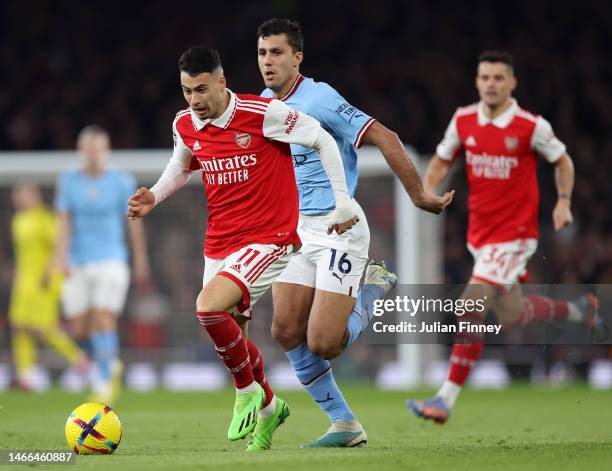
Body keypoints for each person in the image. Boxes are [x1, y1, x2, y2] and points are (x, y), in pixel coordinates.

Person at [126, 46, 358, 448]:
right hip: (219, 243)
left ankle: (246, 392)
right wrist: (155, 196)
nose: (194, 100)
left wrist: (342, 202)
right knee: (230, 333)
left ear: (221, 81)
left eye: (201, 89)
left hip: (270, 238)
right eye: (186, 91)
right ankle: (269, 408)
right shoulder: (185, 123)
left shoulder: (260, 114)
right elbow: (181, 165)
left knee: (207, 307)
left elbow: (321, 139)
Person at [256, 18, 454, 448]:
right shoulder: (262, 107)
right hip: (296, 232)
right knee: (285, 331)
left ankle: (372, 287)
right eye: (262, 53)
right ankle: (344, 425)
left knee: (325, 342)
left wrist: (419, 194)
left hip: (339, 226)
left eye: (276, 52)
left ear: (297, 57)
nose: (267, 61)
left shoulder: (321, 98)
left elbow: (385, 136)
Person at [407, 51, 598, 424]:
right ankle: (580, 309)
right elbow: (444, 159)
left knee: (468, 307)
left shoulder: (530, 126)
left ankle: (444, 399)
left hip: (515, 236)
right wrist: (428, 190)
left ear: (512, 83)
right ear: (477, 82)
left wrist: (562, 202)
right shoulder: (463, 121)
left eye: (498, 78)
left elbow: (563, 160)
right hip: (480, 237)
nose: (491, 84)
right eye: (485, 78)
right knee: (512, 314)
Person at [53, 125, 151, 404]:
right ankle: (108, 363)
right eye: (88, 148)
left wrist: (140, 259)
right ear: (81, 151)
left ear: (106, 151)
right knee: (79, 328)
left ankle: (106, 379)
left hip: (111, 259)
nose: (93, 154)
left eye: (98, 148)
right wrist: (60, 257)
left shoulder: (120, 181)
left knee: (103, 317)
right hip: (77, 261)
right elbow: (64, 221)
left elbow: (133, 222)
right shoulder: (69, 180)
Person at [8, 183, 88, 390]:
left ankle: (79, 359)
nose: (18, 198)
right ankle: (25, 376)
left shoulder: (44, 219)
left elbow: (58, 247)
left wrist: (51, 272)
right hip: (24, 283)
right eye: (17, 194)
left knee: (43, 328)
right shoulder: (18, 220)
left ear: (34, 195)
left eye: (22, 193)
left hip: (44, 280)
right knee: (19, 326)